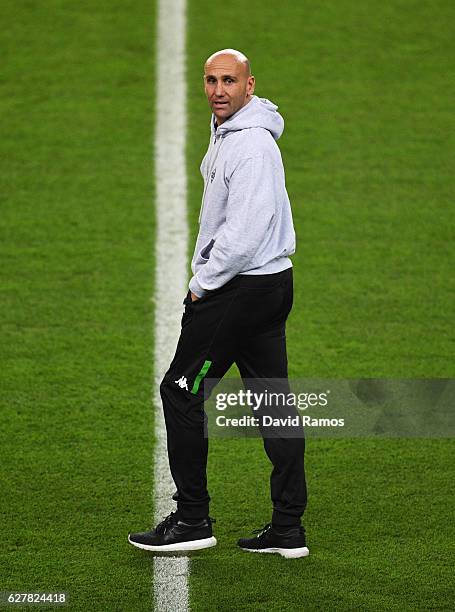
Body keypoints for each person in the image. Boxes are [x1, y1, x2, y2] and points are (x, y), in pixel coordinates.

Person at [128, 49, 309, 558]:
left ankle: (191, 519)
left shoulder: (249, 146)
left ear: (250, 85)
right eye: (211, 80)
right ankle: (288, 528)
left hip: (240, 290)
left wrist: (202, 283)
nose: (218, 90)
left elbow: (244, 234)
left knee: (181, 392)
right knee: (273, 400)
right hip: (271, 286)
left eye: (229, 80)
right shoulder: (235, 131)